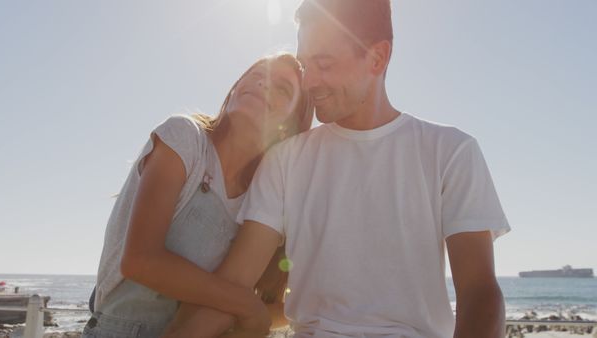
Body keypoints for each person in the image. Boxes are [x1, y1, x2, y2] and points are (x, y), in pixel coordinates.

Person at [167, 0, 511, 337]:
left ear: (377, 58)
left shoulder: (451, 151)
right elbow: (233, 284)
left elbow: (480, 292)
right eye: (305, 66)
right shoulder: (286, 161)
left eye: (325, 64)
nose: (310, 82)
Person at [82, 52, 312, 338]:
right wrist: (246, 305)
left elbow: (285, 307)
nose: (263, 84)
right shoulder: (185, 138)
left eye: (282, 88)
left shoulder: (266, 196)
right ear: (236, 87)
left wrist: (252, 314)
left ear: (290, 124)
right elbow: (140, 260)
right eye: (257, 74)